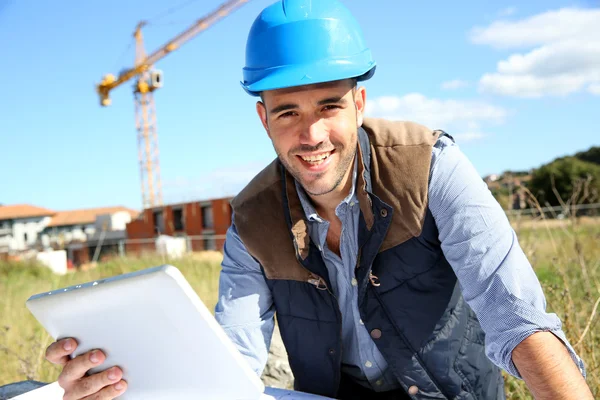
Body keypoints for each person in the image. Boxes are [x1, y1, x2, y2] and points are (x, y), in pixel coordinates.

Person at [44, 0, 593, 399]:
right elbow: (236, 356)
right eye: (288, 112)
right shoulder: (251, 222)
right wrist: (125, 383)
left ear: (359, 102)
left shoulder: (433, 168)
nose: (311, 136)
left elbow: (516, 318)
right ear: (263, 119)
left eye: (329, 106)